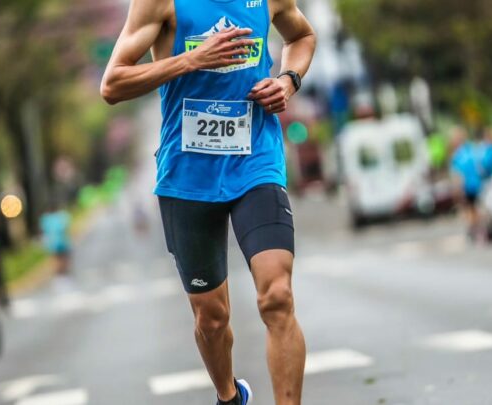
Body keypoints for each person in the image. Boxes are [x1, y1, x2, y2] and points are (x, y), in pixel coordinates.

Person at [101, 1, 316, 404]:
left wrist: (288, 80)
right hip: (188, 175)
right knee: (211, 319)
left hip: (255, 158)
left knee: (278, 296)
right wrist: (190, 60)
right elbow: (112, 84)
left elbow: (302, 36)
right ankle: (229, 395)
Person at [39, 204, 73, 277]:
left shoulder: (46, 219)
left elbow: (44, 231)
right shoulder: (62, 216)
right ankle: (63, 269)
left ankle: (58, 270)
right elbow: (65, 228)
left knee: (56, 257)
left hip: (53, 243)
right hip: (62, 241)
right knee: (63, 256)